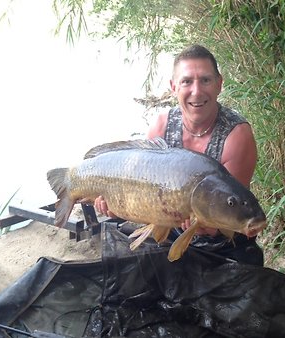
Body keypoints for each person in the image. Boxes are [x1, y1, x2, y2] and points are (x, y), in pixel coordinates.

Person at [95, 44, 264, 266]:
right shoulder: (162, 125)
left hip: (224, 248)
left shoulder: (236, 135)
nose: (196, 91)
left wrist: (203, 225)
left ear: (219, 84)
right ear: (174, 87)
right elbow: (145, 201)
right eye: (187, 81)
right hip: (173, 230)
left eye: (205, 80)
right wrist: (118, 207)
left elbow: (225, 212)